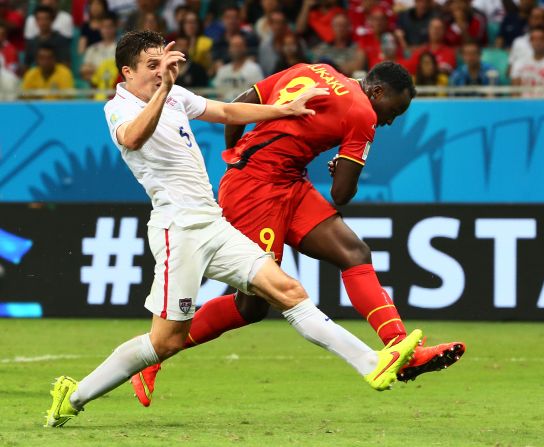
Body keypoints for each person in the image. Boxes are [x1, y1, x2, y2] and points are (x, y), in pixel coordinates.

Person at [45, 31, 424, 427]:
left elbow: (228, 112)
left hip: (212, 222)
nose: (161, 72)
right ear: (127, 72)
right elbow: (134, 138)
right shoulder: (118, 108)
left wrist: (285, 110)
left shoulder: (174, 95)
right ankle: (73, 396)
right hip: (179, 231)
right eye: (151, 66)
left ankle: (372, 363)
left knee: (289, 291)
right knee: (164, 341)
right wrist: (165, 90)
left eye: (164, 63)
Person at [128, 60, 465, 407]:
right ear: (377, 92)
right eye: (393, 111)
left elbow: (245, 99)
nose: (390, 121)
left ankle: (400, 347)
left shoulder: (317, 69)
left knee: (354, 253)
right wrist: (339, 168)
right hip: (255, 191)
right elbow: (341, 194)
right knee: (252, 305)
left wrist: (236, 152)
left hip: (286, 181)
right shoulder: (363, 114)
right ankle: (150, 357)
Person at [510, 26, 544, 93]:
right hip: (522, 103)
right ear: (530, 42)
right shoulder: (519, 63)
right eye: (534, 39)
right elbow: (515, 93)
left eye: (541, 39)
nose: (538, 42)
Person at [214, 34, 265, 100]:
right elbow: (218, 93)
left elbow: (258, 93)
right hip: (224, 106)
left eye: (239, 46)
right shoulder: (222, 70)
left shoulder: (254, 69)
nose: (237, 49)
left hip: (245, 106)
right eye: (234, 46)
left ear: (245, 48)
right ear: (229, 49)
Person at [80, 14, 117, 85]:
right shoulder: (92, 48)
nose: (107, 30)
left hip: (114, 86)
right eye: (104, 27)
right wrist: (103, 70)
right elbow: (83, 71)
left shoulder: (122, 48)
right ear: (100, 29)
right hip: (95, 87)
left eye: (109, 27)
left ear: (115, 28)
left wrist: (95, 69)